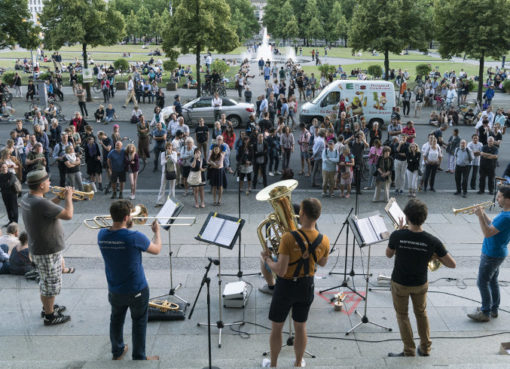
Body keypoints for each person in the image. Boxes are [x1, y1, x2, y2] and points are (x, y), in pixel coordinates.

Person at [261, 198, 329, 368]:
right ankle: (298, 363)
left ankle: (274, 365)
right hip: (307, 285)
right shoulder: (324, 239)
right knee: (300, 327)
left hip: (285, 287)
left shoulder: (288, 238)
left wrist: (268, 260)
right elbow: (322, 263)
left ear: (302, 213)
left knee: (277, 328)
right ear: (318, 216)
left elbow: (281, 270)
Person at [386, 199, 456, 357]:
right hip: (420, 283)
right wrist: (436, 254)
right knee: (421, 313)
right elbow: (452, 264)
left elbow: (388, 254)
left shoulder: (397, 235)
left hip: (400, 283)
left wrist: (400, 233)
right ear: (424, 218)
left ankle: (409, 350)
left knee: (402, 316)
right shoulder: (432, 241)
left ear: (406, 217)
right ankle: (425, 348)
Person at [98, 200, 161, 361]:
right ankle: (139, 356)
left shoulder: (102, 234)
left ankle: (117, 351)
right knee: (139, 321)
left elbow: (119, 234)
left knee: (116, 319)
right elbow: (156, 249)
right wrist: (157, 232)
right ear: (127, 217)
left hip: (114, 288)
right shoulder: (134, 236)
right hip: (136, 288)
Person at [21, 169, 73, 325]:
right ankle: (50, 316)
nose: (51, 183)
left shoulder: (28, 197)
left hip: (41, 248)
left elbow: (47, 206)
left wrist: (59, 197)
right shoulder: (39, 202)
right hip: (47, 250)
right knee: (50, 285)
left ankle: (47, 307)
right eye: (48, 181)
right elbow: (68, 215)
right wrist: (68, 198)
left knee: (47, 282)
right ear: (42, 185)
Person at [467, 186, 510, 322]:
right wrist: (484, 214)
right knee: (492, 281)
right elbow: (493, 225)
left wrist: (480, 217)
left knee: (482, 282)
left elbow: (487, 232)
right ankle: (493, 308)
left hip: (492, 254)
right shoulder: (505, 214)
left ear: (508, 200)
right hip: (497, 252)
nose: (497, 199)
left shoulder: (506, 217)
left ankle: (485, 312)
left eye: (499, 197)